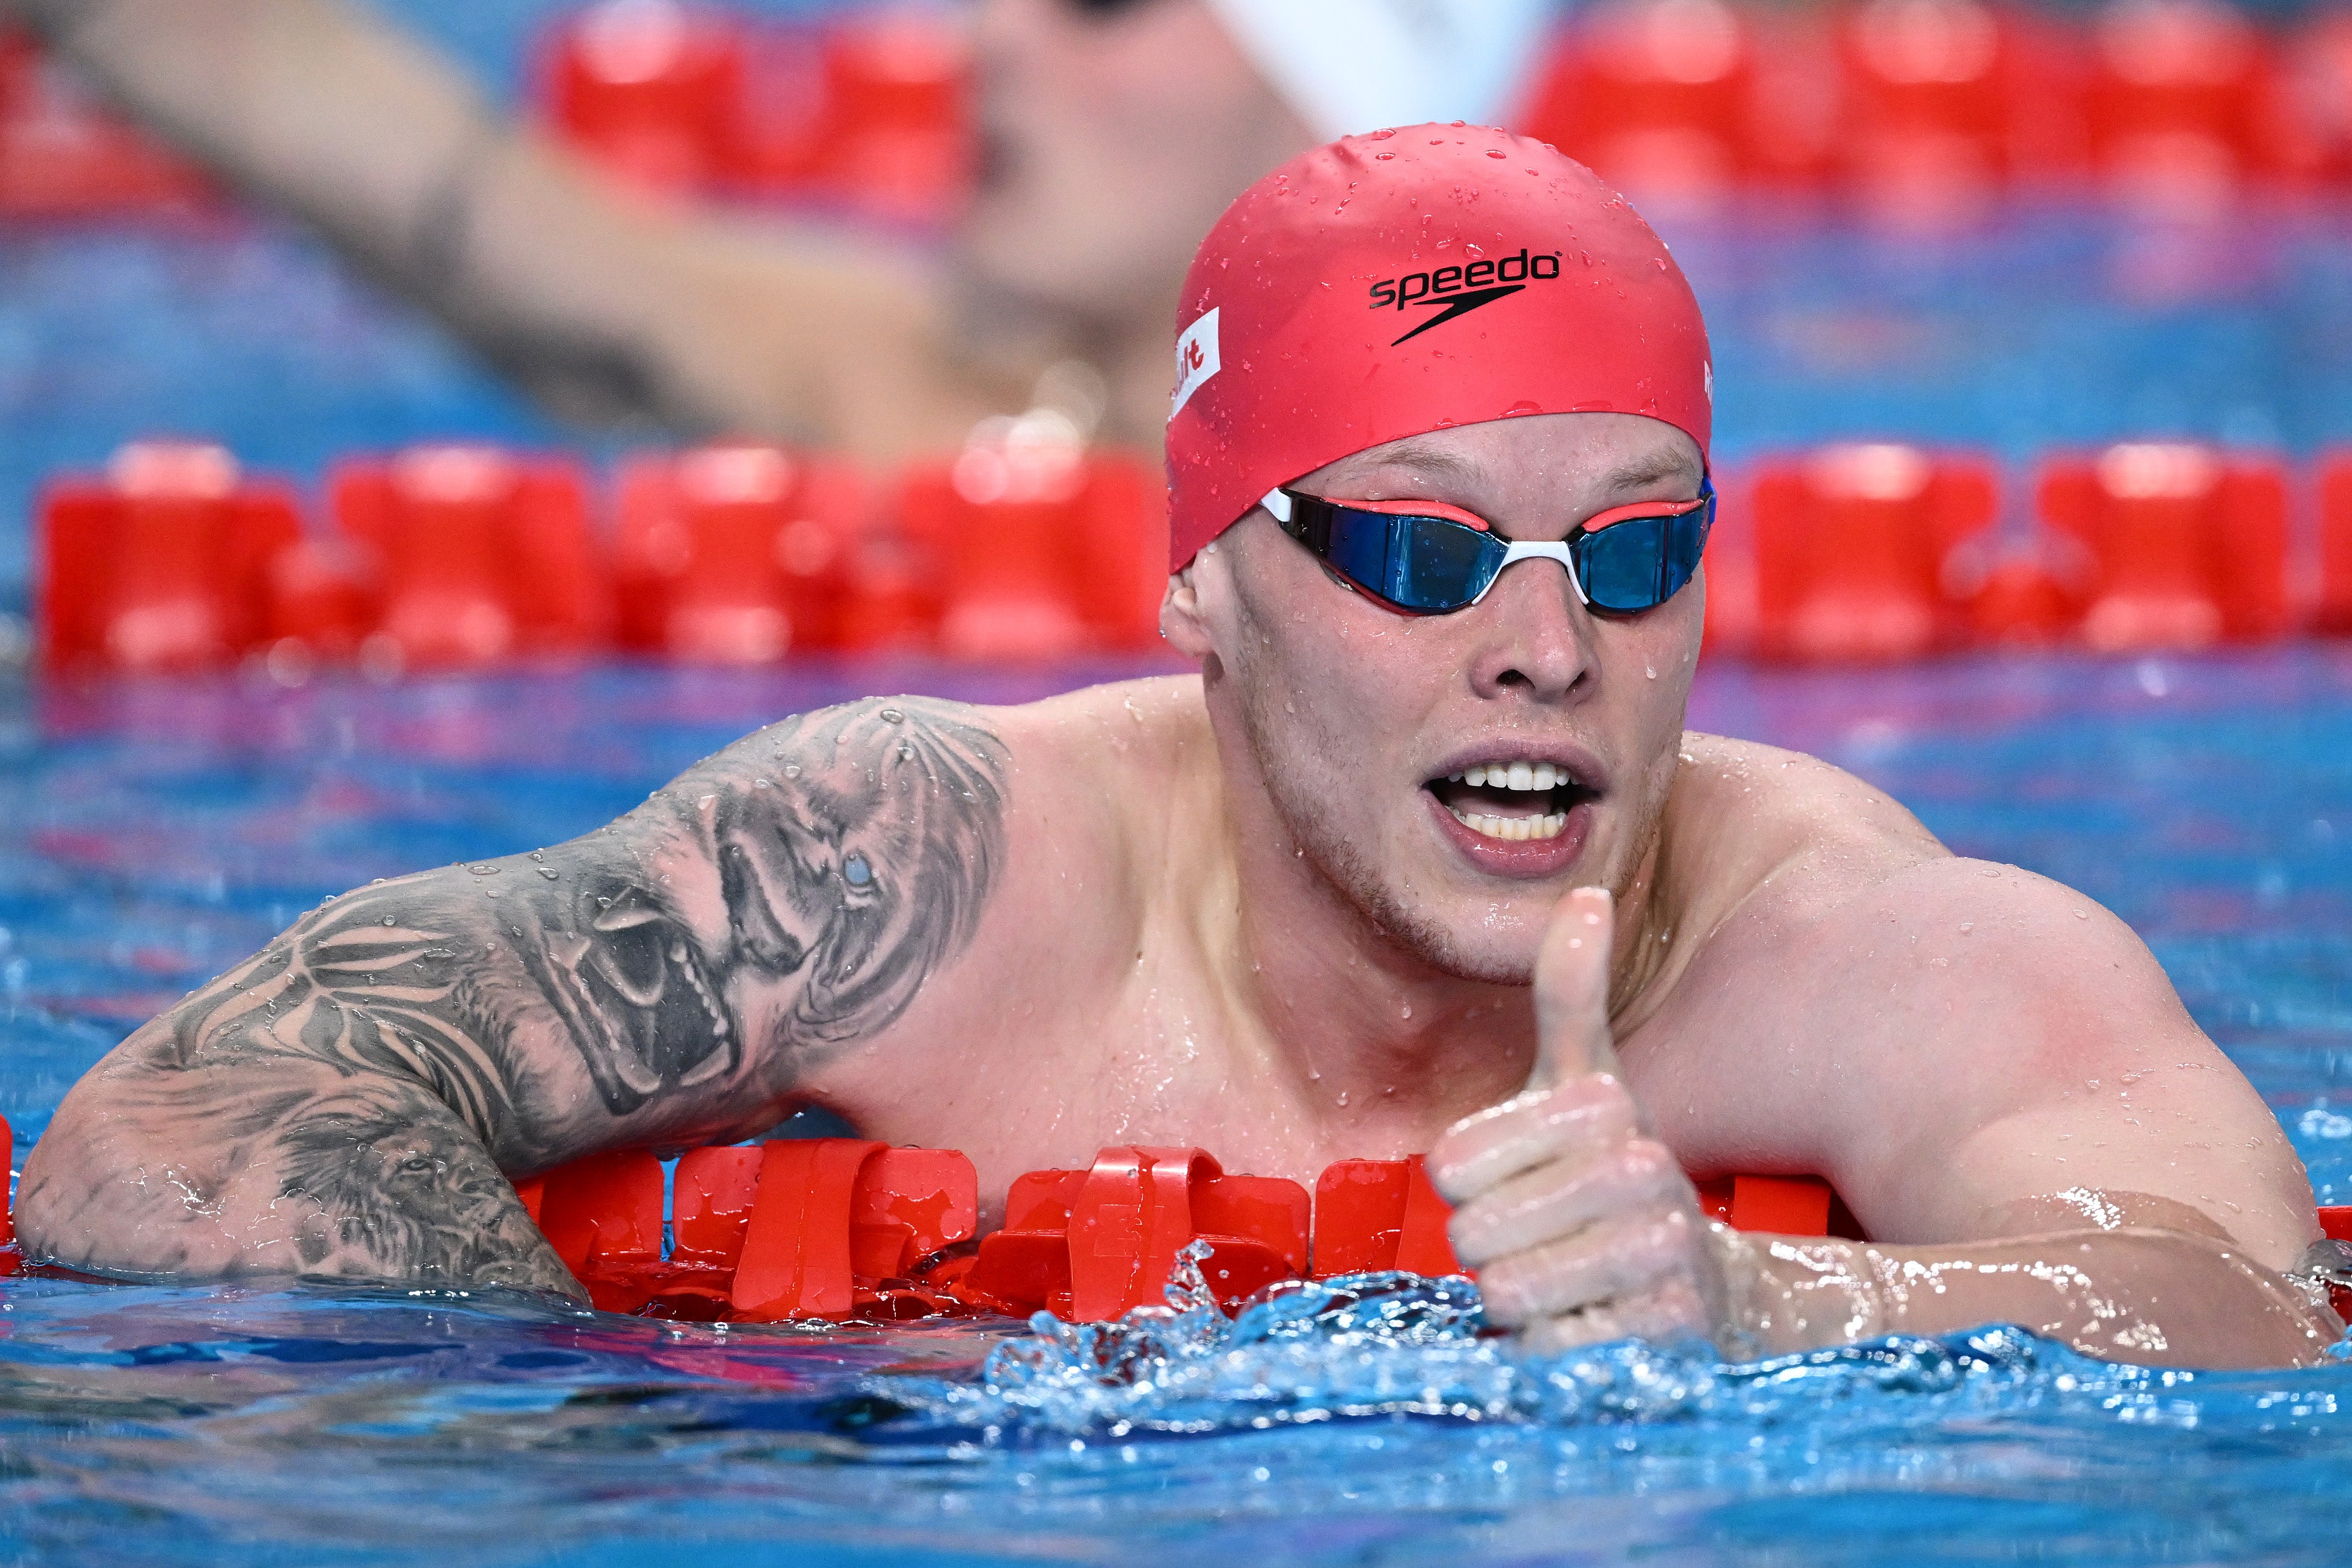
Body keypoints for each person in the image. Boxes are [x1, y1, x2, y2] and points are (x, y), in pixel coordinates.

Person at [20, 126, 2344, 1368]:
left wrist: (1770, 1301)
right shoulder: (918, 869)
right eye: (1422, 556)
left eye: (1627, 552)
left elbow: (2247, 1302)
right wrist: (619, 1441)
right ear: (1201, 586)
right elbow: (178, 1123)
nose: (1545, 644)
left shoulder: (1840, 947)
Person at [2, 0, 1546, 460]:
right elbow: (448, 189)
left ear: (1335, 124)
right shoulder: (889, 382)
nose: (988, 42)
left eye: (1098, 8)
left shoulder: (1491, 527)